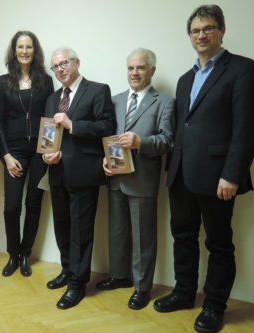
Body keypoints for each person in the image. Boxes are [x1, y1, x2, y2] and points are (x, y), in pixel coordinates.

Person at [153, 5, 254, 333]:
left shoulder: (243, 70)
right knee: (182, 237)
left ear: (222, 31)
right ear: (189, 36)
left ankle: (214, 306)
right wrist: (169, 170)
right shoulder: (186, 78)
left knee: (218, 243)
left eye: (209, 28)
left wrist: (232, 173)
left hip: (218, 177)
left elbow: (247, 128)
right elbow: (182, 127)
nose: (202, 35)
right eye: (196, 30)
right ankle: (185, 293)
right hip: (181, 174)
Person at [96, 48, 175, 310]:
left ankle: (142, 288)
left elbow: (168, 140)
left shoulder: (164, 102)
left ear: (151, 70)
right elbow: (107, 137)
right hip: (116, 177)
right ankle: (120, 276)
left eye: (140, 68)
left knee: (143, 238)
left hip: (143, 180)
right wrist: (106, 159)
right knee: (117, 232)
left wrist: (141, 142)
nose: (134, 72)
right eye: (131, 68)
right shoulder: (115, 100)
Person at [43, 47, 116, 309]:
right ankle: (66, 270)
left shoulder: (98, 90)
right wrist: (46, 155)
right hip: (57, 172)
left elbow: (106, 126)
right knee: (62, 225)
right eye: (55, 66)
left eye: (64, 63)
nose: (60, 69)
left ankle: (77, 283)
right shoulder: (52, 98)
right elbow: (48, 135)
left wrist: (73, 124)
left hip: (84, 172)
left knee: (81, 231)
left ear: (76, 63)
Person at [0, 31, 54, 277]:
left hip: (39, 151)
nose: (24, 51)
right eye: (20, 46)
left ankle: (25, 254)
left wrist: (49, 149)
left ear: (35, 50)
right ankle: (12, 254)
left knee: (33, 203)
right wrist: (6, 155)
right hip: (14, 151)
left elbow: (50, 117)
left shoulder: (46, 80)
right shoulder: (3, 81)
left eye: (29, 46)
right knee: (11, 207)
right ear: (14, 50)